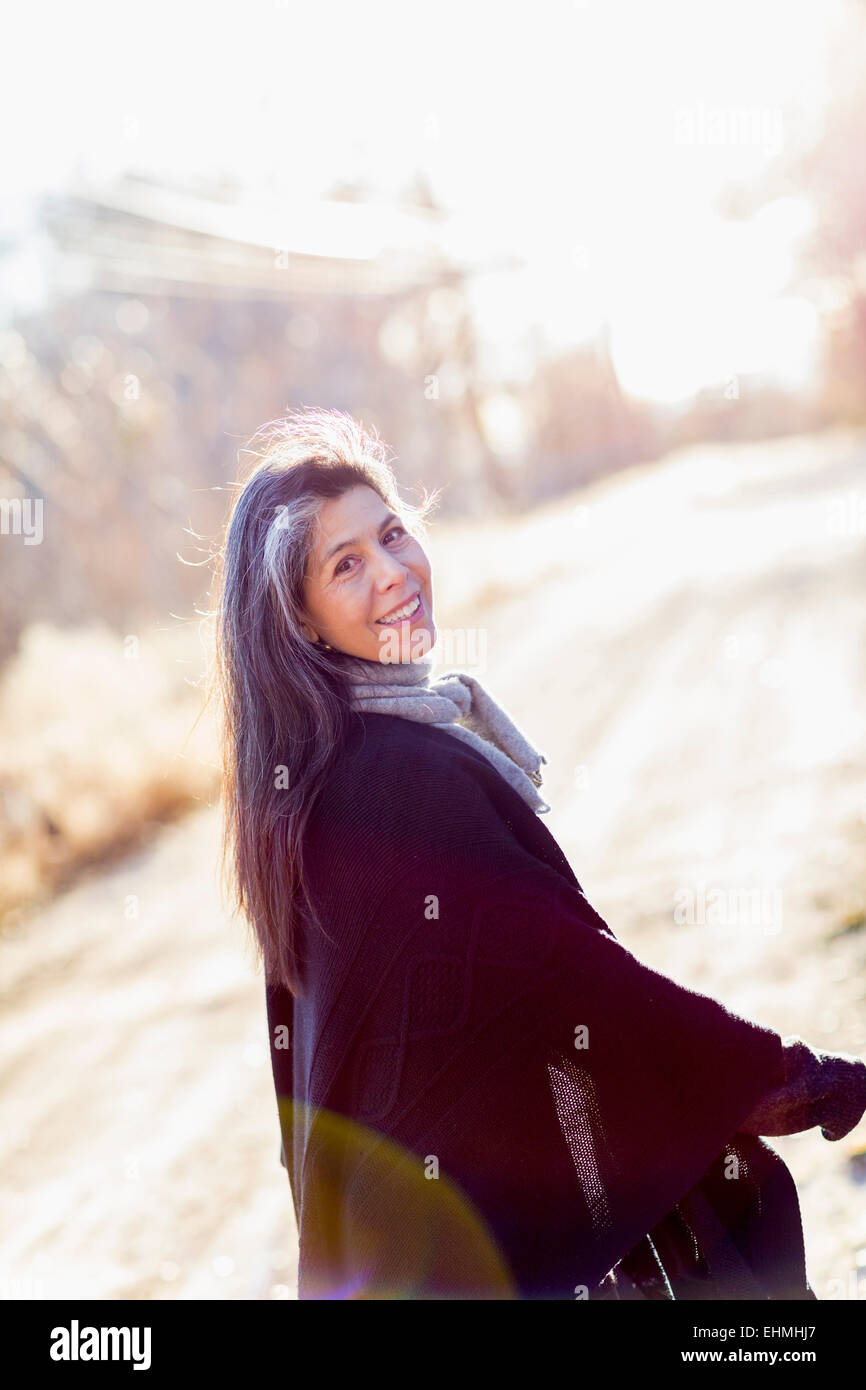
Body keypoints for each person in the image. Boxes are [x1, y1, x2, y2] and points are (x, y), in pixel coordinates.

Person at [209, 406, 866, 1300]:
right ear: (303, 619)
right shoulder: (394, 775)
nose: (395, 574)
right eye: (346, 564)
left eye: (393, 533)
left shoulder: (318, 774)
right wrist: (780, 1078)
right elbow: (566, 981)